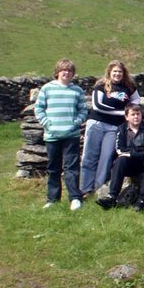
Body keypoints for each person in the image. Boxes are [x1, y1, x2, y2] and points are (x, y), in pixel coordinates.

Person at [80, 60, 140, 196]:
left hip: (114, 127)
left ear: (123, 73)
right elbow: (98, 106)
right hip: (97, 123)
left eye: (120, 71)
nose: (117, 74)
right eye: (115, 71)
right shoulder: (101, 85)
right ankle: (85, 188)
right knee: (90, 155)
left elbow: (137, 100)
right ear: (109, 72)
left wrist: (130, 108)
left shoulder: (128, 87)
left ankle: (98, 188)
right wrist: (123, 113)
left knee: (106, 157)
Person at [34, 58, 88, 211]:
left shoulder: (76, 90)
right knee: (53, 168)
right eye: (63, 70)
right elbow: (39, 109)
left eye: (70, 70)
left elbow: (83, 110)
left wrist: (76, 122)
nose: (66, 73)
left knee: (72, 167)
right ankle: (52, 199)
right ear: (57, 72)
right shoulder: (47, 89)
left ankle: (75, 198)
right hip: (52, 135)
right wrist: (48, 124)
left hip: (71, 135)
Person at [96, 104, 144, 212]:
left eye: (138, 114)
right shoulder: (121, 129)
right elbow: (120, 150)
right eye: (133, 114)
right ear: (127, 117)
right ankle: (112, 197)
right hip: (129, 164)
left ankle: (143, 200)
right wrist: (142, 149)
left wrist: (132, 153)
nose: (136, 117)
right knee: (120, 160)